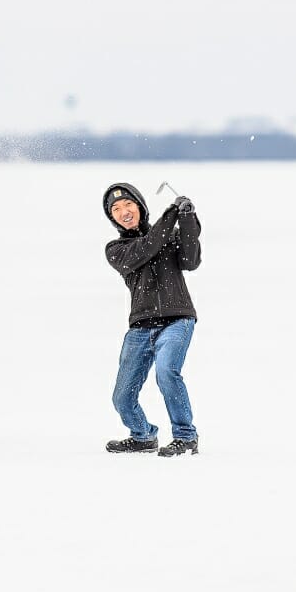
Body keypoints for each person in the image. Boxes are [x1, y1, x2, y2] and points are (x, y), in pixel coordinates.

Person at [102, 183, 202, 456]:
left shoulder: (169, 236)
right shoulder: (117, 249)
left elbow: (191, 259)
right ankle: (143, 435)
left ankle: (185, 436)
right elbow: (147, 247)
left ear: (140, 207)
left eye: (128, 205)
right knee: (122, 397)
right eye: (116, 209)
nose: (123, 211)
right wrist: (171, 215)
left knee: (167, 372)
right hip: (141, 328)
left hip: (177, 319)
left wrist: (188, 217)